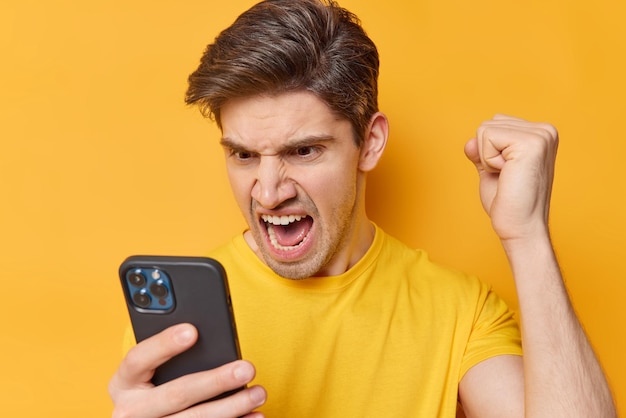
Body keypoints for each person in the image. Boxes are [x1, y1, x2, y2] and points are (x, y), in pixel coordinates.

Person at [108, 0, 617, 416]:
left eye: (303, 151)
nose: (266, 193)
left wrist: (527, 236)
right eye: (243, 155)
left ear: (369, 143)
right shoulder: (182, 326)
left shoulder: (461, 313)